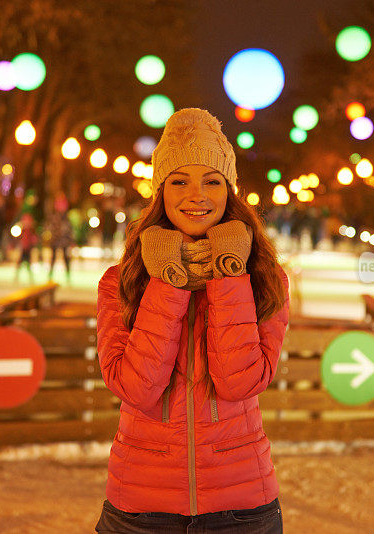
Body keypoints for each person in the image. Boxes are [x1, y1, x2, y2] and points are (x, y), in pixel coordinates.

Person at [94, 108, 289, 532]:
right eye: (179, 181)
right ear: (160, 191)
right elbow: (135, 386)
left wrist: (229, 271)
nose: (195, 195)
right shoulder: (121, 281)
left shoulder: (263, 279)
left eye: (212, 181)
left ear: (230, 191)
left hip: (241, 508)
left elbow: (240, 382)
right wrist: (168, 277)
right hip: (141, 510)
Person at [47, 204, 74, 283]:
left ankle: (68, 275)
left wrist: (70, 240)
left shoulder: (66, 219)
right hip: (56, 241)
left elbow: (69, 230)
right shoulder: (55, 219)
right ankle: (50, 274)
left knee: (66, 259)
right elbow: (51, 229)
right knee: (53, 258)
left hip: (64, 242)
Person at [15, 213, 38, 284]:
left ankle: (30, 276)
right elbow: (17, 237)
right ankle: (16, 276)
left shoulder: (31, 230)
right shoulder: (22, 229)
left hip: (28, 248)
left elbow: (34, 239)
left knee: (28, 263)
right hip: (23, 248)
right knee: (19, 263)